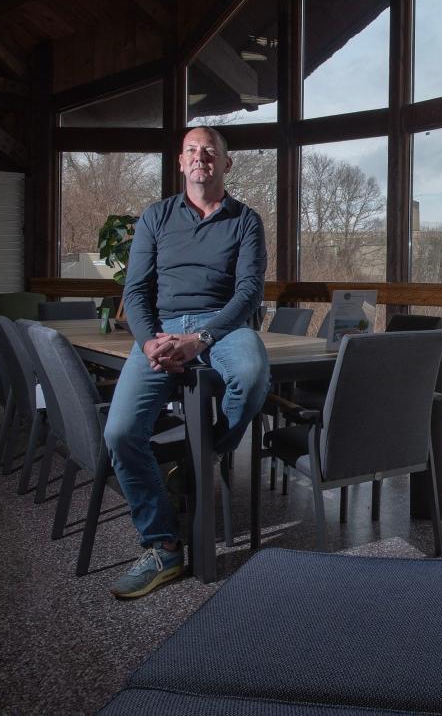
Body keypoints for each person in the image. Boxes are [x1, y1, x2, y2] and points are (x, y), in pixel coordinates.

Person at [103, 126, 270, 599]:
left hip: (224, 327)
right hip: (161, 327)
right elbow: (134, 291)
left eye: (210, 151)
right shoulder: (156, 217)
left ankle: (213, 449)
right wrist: (149, 341)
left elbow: (249, 292)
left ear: (226, 164)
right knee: (120, 433)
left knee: (254, 375)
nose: (202, 158)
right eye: (193, 151)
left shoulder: (245, 220)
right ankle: (163, 546)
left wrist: (201, 338)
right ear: (181, 162)